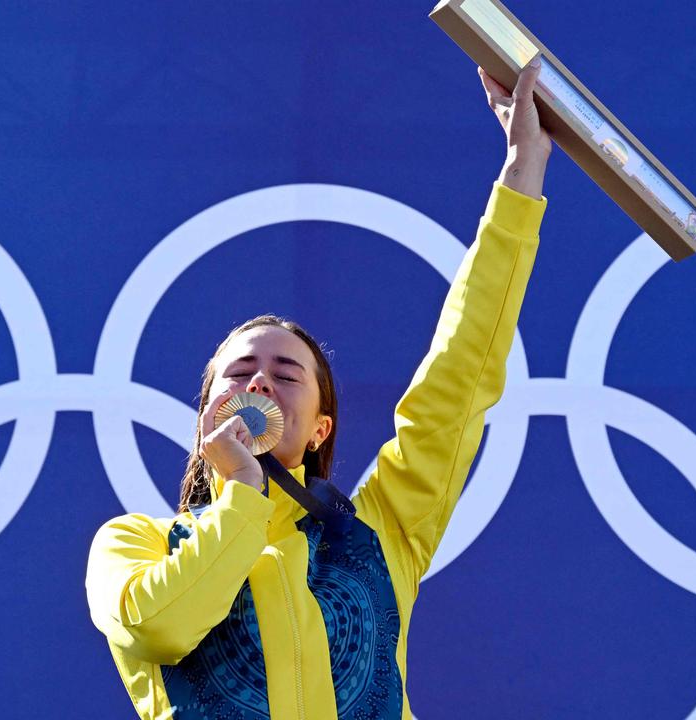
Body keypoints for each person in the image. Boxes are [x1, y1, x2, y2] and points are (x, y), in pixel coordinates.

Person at [86, 58, 552, 719]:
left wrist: (522, 174)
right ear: (207, 417)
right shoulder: (135, 544)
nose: (261, 383)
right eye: (241, 373)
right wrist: (243, 497)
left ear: (319, 428)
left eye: (286, 375)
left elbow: (462, 373)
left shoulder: (382, 533)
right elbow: (161, 627)